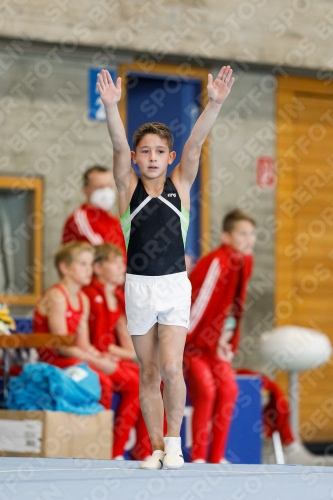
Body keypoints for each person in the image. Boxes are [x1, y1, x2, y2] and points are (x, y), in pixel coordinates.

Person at [97, 65, 234, 469]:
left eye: (160, 152)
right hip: (138, 288)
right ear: (137, 159)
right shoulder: (127, 189)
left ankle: (174, 444)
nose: (152, 158)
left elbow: (195, 145)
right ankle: (156, 447)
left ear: (169, 157)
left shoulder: (182, 186)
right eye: (146, 152)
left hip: (174, 287)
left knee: (173, 368)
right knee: (149, 370)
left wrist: (215, 103)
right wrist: (110, 107)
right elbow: (119, 147)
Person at [184, 209, 255, 463]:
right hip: (191, 345)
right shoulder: (216, 261)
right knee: (206, 389)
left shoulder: (245, 262)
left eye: (252, 234)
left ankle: (216, 457)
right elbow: (196, 305)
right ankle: (199, 458)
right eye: (242, 233)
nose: (249, 239)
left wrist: (229, 342)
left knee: (230, 389)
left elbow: (236, 306)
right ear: (226, 237)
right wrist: (181, 344)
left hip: (214, 346)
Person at [33, 241, 116, 410]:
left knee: (132, 377)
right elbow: (63, 347)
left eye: (90, 264)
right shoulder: (57, 296)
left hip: (73, 358)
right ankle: (97, 434)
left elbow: (83, 344)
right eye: (82, 264)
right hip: (54, 362)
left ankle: (113, 436)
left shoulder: (82, 299)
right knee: (105, 383)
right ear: (65, 268)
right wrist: (97, 362)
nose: (89, 270)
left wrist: (100, 356)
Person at [83, 243, 141, 459]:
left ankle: (142, 450)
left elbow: (124, 336)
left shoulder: (117, 295)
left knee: (150, 377)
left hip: (106, 354)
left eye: (122, 262)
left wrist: (137, 356)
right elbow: (98, 345)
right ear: (97, 268)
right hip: (91, 357)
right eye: (115, 262)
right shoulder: (90, 294)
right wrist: (132, 356)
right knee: (134, 382)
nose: (122, 267)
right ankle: (111, 451)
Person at [62, 165, 126, 254]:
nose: (106, 192)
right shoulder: (80, 220)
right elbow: (104, 256)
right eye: (100, 187)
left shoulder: (113, 221)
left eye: (110, 186)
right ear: (85, 190)